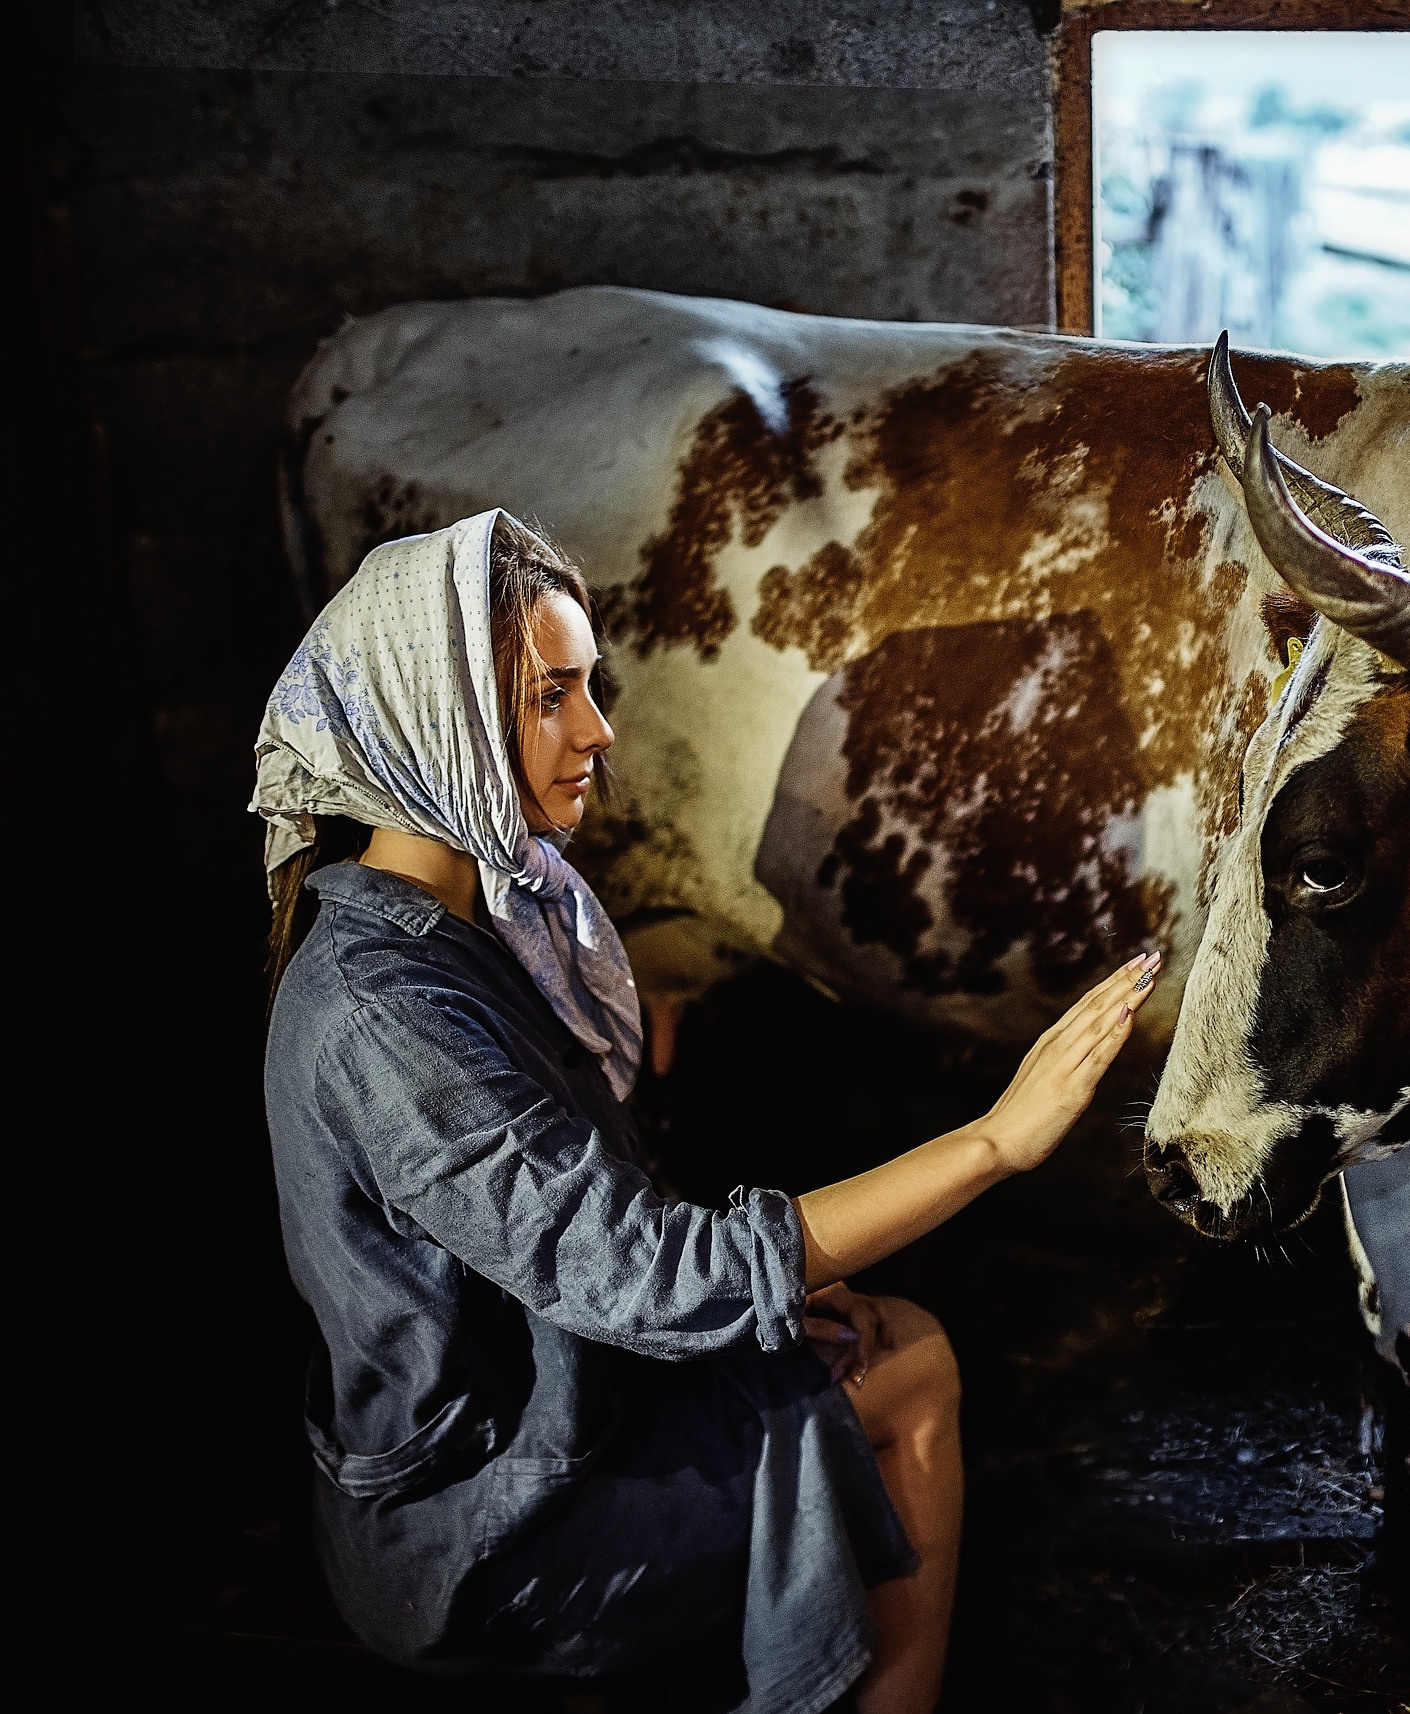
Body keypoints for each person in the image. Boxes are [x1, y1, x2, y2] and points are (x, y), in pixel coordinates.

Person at [254, 510, 1158, 1714]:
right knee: (912, 1367)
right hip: (489, 1524)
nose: (596, 729)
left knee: (868, 1334)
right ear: (437, 717)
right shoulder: (387, 1011)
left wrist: (775, 1299)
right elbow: (643, 1274)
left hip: (560, 1408)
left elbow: (587, 1224)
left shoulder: (469, 921)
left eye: (591, 687)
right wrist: (993, 1140)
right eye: (550, 697)